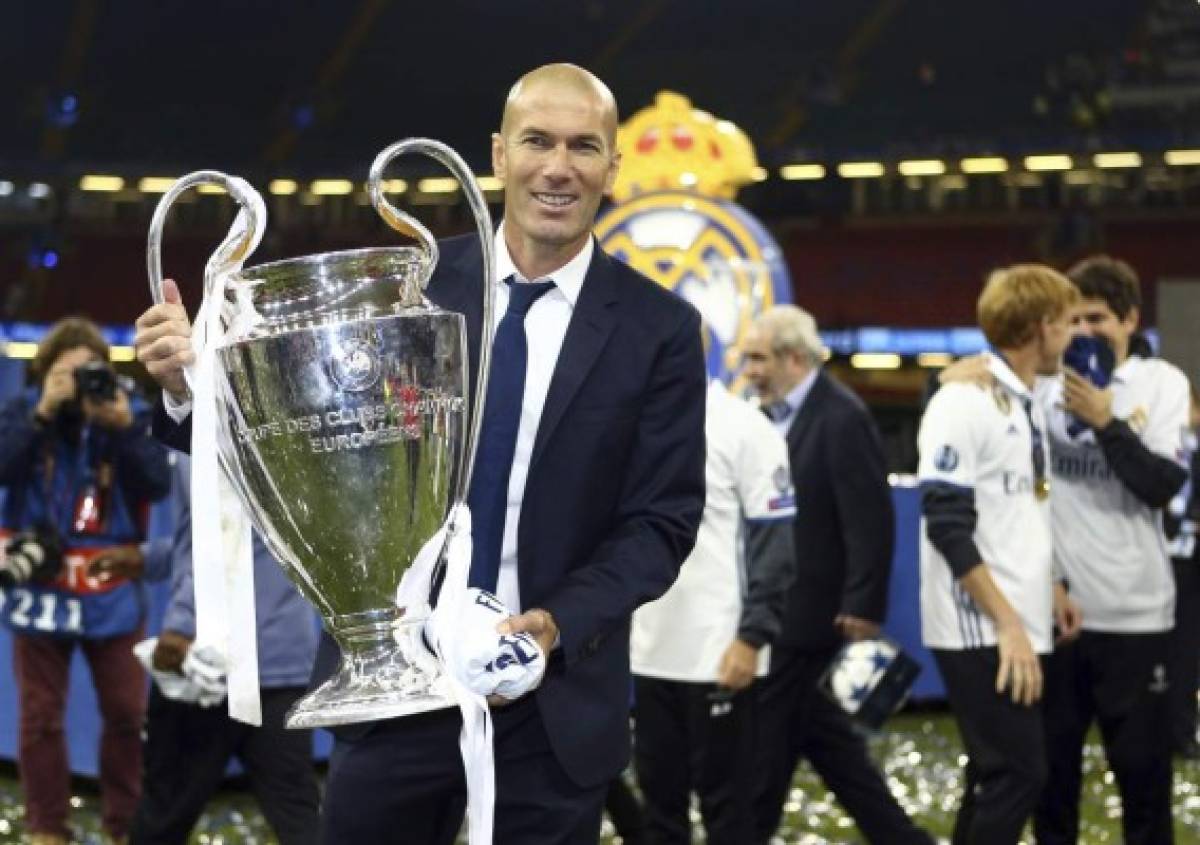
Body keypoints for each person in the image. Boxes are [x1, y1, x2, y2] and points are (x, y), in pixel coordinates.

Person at [132, 62, 707, 845]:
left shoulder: (659, 328)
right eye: (538, 140)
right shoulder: (409, 288)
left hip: (553, 702)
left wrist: (551, 626)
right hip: (394, 687)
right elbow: (290, 441)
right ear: (500, 155)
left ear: (613, 165)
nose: (558, 167)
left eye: (584, 146)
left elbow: (660, 521)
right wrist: (185, 388)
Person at [741, 305, 932, 845]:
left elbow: (870, 519)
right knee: (830, 749)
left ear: (794, 357)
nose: (748, 369)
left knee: (770, 755)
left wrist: (863, 605)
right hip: (792, 614)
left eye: (758, 358)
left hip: (815, 618)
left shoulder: (841, 416)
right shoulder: (773, 415)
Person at [918, 264, 1082, 845]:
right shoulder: (963, 402)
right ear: (1040, 327)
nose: (1072, 334)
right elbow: (946, 523)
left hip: (1018, 614)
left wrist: (1052, 585)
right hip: (981, 625)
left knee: (995, 775)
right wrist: (1008, 622)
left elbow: (1021, 509)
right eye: (1066, 322)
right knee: (1019, 772)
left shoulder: (1023, 398)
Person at [1030, 256, 1191, 845]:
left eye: (1098, 317)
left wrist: (1106, 422)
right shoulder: (1042, 386)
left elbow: (1161, 485)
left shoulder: (1161, 384)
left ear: (1129, 321)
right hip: (1056, 617)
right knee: (1051, 783)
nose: (1086, 331)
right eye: (1074, 319)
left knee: (1144, 783)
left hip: (1137, 611)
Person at [0, 317, 172, 845]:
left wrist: (120, 426)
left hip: (111, 586)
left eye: (86, 373)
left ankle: (123, 827)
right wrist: (40, 413)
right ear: (43, 374)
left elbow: (157, 483)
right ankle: (47, 828)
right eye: (64, 373)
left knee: (125, 714)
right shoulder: (22, 413)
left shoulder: (130, 418)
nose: (77, 385)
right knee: (40, 719)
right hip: (41, 587)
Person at [630, 378, 796, 844]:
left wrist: (752, 636)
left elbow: (775, 545)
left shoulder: (745, 426)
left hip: (720, 653)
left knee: (727, 813)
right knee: (660, 811)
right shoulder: (634, 415)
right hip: (648, 652)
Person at [128, 454, 320, 845]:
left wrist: (183, 622)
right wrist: (147, 559)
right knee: (298, 815)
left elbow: (222, 536)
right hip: (284, 657)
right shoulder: (286, 429)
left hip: (206, 663)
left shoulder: (206, 430)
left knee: (162, 817)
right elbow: (238, 535)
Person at [1165, 383, 1199, 760]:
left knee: (1185, 652)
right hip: (1161, 561)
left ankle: (1182, 730)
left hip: (1190, 564)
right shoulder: (1161, 448)